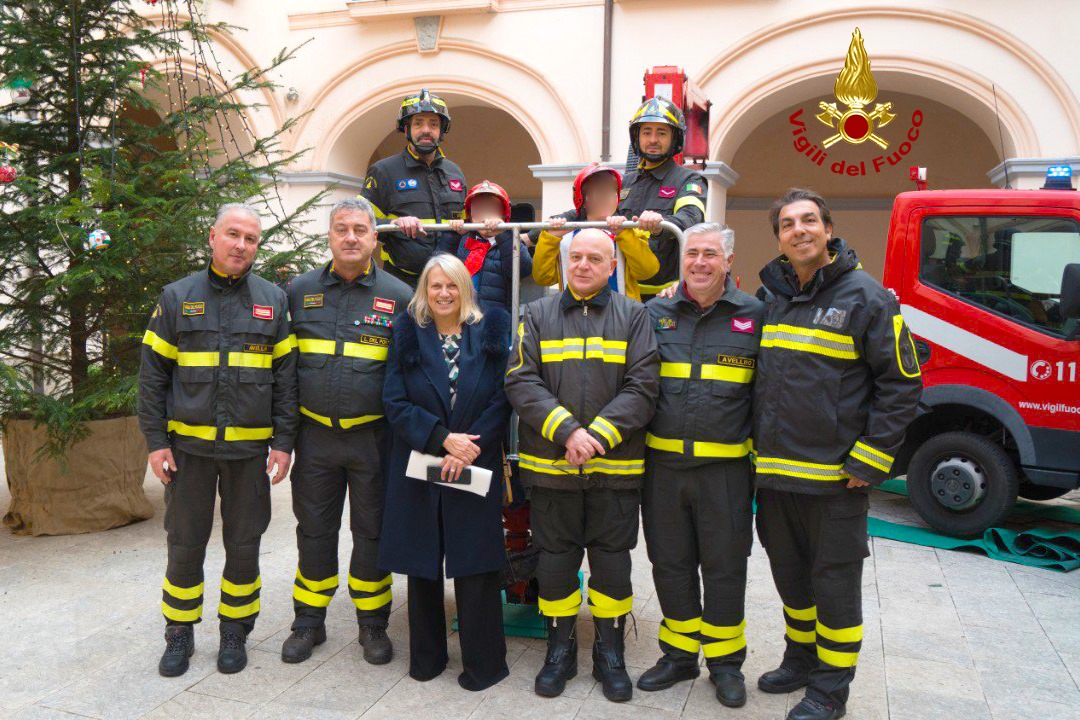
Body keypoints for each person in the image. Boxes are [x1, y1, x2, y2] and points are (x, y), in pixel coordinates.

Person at [753, 188, 922, 720]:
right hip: (777, 480)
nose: (798, 230)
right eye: (787, 223)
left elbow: (902, 382)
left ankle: (830, 690)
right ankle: (800, 659)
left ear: (828, 229)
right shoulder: (772, 298)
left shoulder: (867, 297)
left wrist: (872, 459)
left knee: (835, 587)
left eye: (809, 221)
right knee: (792, 580)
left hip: (834, 483)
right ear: (778, 236)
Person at [138, 203, 297, 677]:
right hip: (187, 453)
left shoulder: (274, 300)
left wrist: (284, 443)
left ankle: (235, 630)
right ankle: (179, 632)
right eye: (233, 235)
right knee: (184, 544)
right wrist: (154, 441)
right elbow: (152, 378)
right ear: (213, 237)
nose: (241, 246)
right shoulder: (176, 297)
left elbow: (286, 381)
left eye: (250, 239)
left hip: (249, 454)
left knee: (244, 544)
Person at [504, 229, 660, 703]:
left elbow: (644, 386)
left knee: (613, 564)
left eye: (596, 257)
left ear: (613, 265)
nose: (585, 265)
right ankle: (560, 648)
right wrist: (569, 431)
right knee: (555, 563)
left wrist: (597, 437)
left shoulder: (635, 316)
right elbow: (521, 380)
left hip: (615, 468)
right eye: (577, 257)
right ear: (566, 262)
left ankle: (609, 653)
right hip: (553, 466)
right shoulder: (535, 314)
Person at [279, 198, 412, 666]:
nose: (351, 237)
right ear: (329, 236)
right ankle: (308, 622)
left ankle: (372, 624)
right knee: (314, 531)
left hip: (374, 440)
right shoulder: (298, 291)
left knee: (371, 533)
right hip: (315, 439)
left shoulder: (400, 296)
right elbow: (285, 371)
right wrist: (283, 440)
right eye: (342, 229)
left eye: (360, 229)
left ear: (376, 238)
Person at [636, 223, 764, 707]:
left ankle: (726, 664)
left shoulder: (756, 315)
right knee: (669, 564)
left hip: (725, 475)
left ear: (729, 261)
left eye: (711, 254)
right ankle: (679, 654)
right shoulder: (655, 312)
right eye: (692, 253)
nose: (700, 263)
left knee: (725, 568)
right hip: (664, 469)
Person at [379, 254, 513, 691]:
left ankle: (484, 664)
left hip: (475, 461)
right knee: (423, 566)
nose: (443, 293)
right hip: (422, 464)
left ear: (465, 288)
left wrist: (466, 447)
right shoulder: (407, 334)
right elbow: (395, 402)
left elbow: (503, 397)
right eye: (434, 285)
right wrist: (442, 439)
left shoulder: (490, 331)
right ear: (424, 289)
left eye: (451, 285)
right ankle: (427, 659)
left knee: (476, 566)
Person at [360, 89, 467, 287]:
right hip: (401, 281)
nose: (426, 130)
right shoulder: (383, 171)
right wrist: (395, 225)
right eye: (418, 123)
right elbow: (360, 219)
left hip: (449, 280)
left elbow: (467, 222)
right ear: (406, 128)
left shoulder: (455, 173)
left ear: (442, 130)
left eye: (434, 124)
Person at [619, 97, 707, 299]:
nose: (653, 140)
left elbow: (691, 218)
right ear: (637, 136)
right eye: (646, 132)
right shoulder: (623, 183)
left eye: (661, 133)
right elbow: (588, 211)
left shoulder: (689, 180)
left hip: (666, 298)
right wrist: (531, 237)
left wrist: (662, 224)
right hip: (622, 296)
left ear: (674, 139)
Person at [532, 163, 659, 302]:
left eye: (611, 192)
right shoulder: (566, 237)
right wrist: (550, 238)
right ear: (583, 199)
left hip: (619, 317)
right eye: (598, 191)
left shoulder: (629, 232)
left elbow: (647, 271)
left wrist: (624, 234)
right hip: (574, 315)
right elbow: (543, 277)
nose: (605, 197)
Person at [443, 180, 533, 313]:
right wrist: (452, 235)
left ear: (503, 214)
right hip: (460, 318)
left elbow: (523, 269)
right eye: (479, 208)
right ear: (470, 214)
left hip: (495, 321)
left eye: (491, 207)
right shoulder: (462, 240)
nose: (485, 213)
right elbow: (438, 269)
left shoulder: (510, 238)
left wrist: (504, 234)